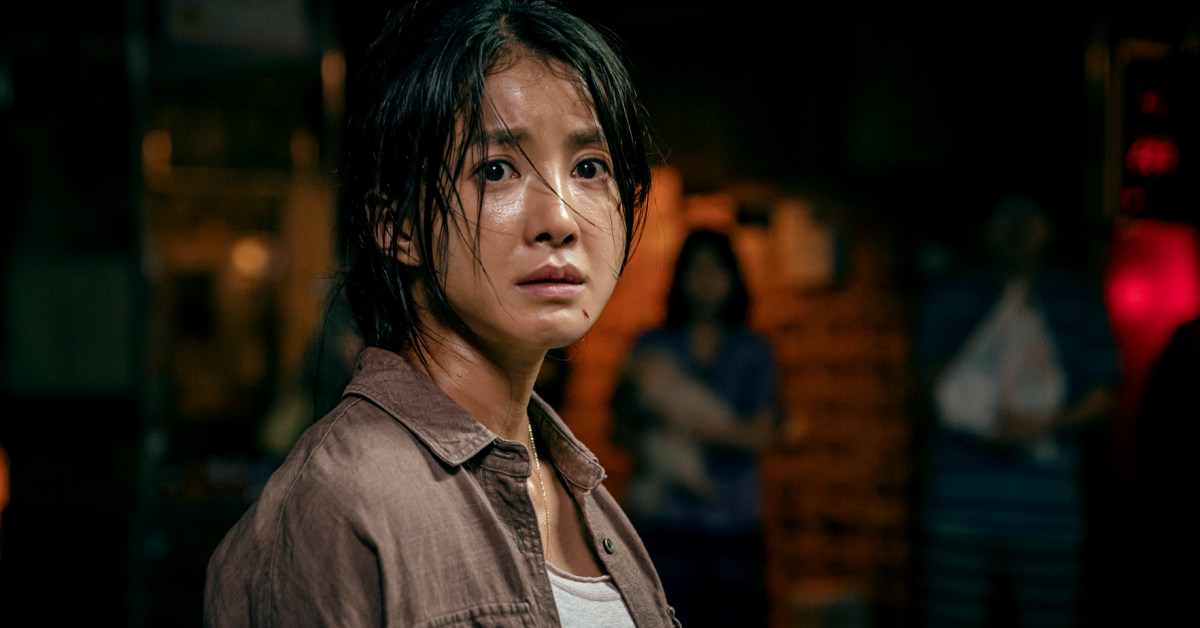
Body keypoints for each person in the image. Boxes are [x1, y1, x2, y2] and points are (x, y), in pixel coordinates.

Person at [203, 1, 680, 625]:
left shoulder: (583, 493)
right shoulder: (342, 501)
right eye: (497, 170)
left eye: (589, 168)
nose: (560, 219)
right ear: (397, 225)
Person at [910, 193, 1121, 628]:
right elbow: (928, 384)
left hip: (1048, 512)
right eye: (1006, 215)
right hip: (960, 510)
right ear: (985, 226)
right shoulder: (953, 297)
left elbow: (1105, 390)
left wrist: (1045, 423)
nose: (1018, 228)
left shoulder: (1074, 300)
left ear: (1050, 228)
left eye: (1030, 216)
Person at [611, 228, 783, 628]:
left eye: (715, 270)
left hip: (733, 523)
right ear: (680, 278)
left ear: (733, 279)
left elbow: (760, 436)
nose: (705, 281)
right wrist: (645, 430)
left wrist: (685, 423)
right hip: (664, 522)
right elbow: (620, 428)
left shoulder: (754, 350)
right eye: (696, 270)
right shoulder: (652, 345)